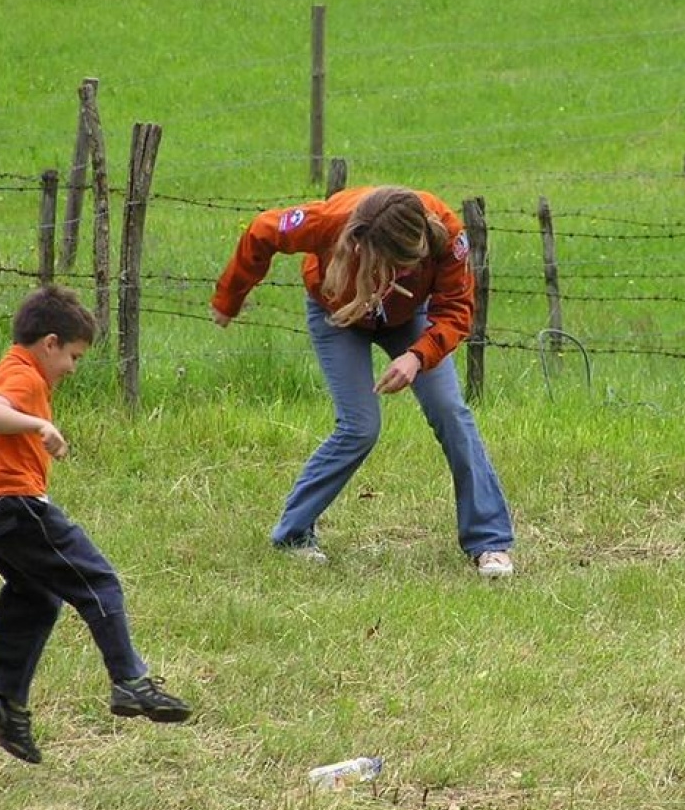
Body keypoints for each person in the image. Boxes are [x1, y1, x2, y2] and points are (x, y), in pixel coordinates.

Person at [0, 285, 191, 764]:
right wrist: (38, 426)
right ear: (49, 343)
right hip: (15, 506)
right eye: (73, 355)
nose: (72, 367)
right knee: (97, 580)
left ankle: (4, 703)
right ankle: (130, 681)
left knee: (36, 595)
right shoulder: (23, 379)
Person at [210, 185, 515, 577]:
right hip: (338, 315)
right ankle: (293, 533)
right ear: (361, 244)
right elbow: (261, 231)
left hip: (410, 320)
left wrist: (418, 355)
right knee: (360, 427)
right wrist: (229, 299)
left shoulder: (449, 235)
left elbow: (457, 309)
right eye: (394, 265)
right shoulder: (330, 223)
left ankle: (489, 542)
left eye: (411, 265)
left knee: (451, 412)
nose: (404, 272)